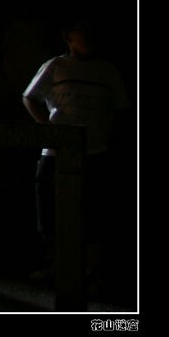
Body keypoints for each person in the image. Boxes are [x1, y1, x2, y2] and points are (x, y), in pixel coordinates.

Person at [21, 18, 130, 281]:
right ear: (68, 37)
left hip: (96, 151)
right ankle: (57, 268)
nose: (89, 36)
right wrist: (48, 127)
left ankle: (90, 273)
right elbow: (30, 97)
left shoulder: (107, 70)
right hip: (56, 152)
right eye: (83, 31)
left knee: (95, 214)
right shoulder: (56, 66)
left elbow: (121, 108)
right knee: (50, 211)